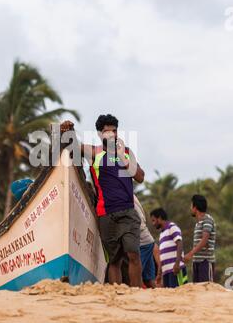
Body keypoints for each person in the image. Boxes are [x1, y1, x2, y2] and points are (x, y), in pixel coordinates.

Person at [61, 114, 145, 287]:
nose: (112, 135)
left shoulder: (127, 152)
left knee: (133, 254)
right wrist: (67, 130)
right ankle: (117, 294)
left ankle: (138, 295)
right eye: (107, 132)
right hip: (106, 214)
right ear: (100, 134)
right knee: (114, 260)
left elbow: (140, 177)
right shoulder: (94, 152)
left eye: (114, 131)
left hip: (128, 211)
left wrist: (122, 157)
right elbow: (71, 146)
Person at [150, 208, 188, 288]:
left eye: (153, 220)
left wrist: (177, 263)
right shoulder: (162, 234)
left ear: (159, 218)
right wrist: (159, 273)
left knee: (180, 293)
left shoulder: (172, 227)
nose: (153, 224)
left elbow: (179, 243)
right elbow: (162, 256)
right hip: (166, 272)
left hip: (175, 269)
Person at [184, 195, 216, 283]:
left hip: (205, 261)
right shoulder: (198, 223)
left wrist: (190, 254)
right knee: (198, 291)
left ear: (195, 207)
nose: (190, 208)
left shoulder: (207, 220)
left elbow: (204, 240)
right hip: (196, 261)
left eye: (191, 206)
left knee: (206, 289)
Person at [134, 195, 157, 288]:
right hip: (148, 241)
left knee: (136, 273)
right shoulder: (134, 197)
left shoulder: (124, 196)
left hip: (142, 242)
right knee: (148, 280)